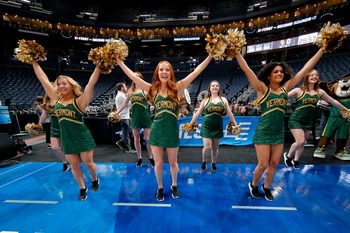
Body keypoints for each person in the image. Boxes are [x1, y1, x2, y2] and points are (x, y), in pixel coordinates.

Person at [116, 54, 213, 201]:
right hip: (156, 131)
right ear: (157, 72)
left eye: (167, 70)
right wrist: (119, 62)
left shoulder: (178, 87)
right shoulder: (151, 89)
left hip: (172, 131)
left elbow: (196, 72)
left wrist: (210, 56)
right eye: (161, 69)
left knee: (173, 163)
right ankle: (160, 187)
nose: (164, 72)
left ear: (170, 72)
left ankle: (174, 185)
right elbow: (134, 77)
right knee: (159, 163)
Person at [235, 47, 324, 201]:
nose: (279, 74)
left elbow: (305, 69)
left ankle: (267, 187)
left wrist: (322, 49)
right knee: (263, 164)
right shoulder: (262, 88)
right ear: (269, 75)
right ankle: (254, 184)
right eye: (275, 71)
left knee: (275, 163)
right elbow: (246, 69)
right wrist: (236, 52)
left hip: (278, 133)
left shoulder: (286, 88)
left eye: (281, 72)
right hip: (263, 132)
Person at [32, 60, 100, 201]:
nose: (61, 86)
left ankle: (95, 179)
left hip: (82, 136)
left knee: (89, 164)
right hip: (67, 139)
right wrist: (33, 61)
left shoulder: (80, 100)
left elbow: (90, 84)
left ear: (71, 85)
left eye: (64, 83)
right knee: (74, 166)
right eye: (59, 84)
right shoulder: (56, 99)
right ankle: (82, 187)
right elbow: (42, 78)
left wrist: (98, 66)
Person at [284, 70, 348, 169]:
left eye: (316, 75)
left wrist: (345, 109)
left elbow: (333, 101)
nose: (314, 77)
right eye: (312, 75)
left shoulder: (320, 92)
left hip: (308, 121)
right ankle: (288, 156)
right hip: (296, 119)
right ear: (306, 78)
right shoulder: (298, 90)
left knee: (303, 142)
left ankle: (296, 160)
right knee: (300, 141)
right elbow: (282, 97)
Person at [189, 80, 238, 171]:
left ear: (219, 88)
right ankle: (204, 161)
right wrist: (191, 123)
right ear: (210, 88)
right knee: (207, 146)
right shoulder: (205, 100)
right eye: (213, 86)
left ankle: (213, 163)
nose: (215, 87)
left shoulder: (224, 100)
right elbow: (198, 113)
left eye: (217, 86)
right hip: (207, 126)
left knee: (215, 148)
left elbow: (230, 113)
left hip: (218, 127)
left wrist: (235, 124)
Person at [115, 72, 155, 168]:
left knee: (148, 139)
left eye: (137, 77)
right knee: (136, 139)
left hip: (145, 116)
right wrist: (117, 112)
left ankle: (151, 157)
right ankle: (139, 158)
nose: (135, 78)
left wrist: (152, 106)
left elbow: (151, 102)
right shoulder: (130, 91)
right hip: (135, 116)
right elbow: (124, 103)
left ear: (141, 78)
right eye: (134, 77)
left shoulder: (145, 90)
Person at [38, 94, 70, 172]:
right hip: (54, 127)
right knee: (55, 147)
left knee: (68, 147)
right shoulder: (48, 101)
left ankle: (74, 162)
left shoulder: (64, 99)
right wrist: (39, 124)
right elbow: (44, 114)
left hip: (66, 127)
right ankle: (66, 162)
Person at [115, 82, 136, 153]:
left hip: (125, 116)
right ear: (122, 88)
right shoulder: (121, 96)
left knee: (129, 132)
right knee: (127, 133)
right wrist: (129, 96)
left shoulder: (122, 95)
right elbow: (130, 105)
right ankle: (127, 149)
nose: (126, 88)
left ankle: (120, 142)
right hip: (124, 117)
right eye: (125, 87)